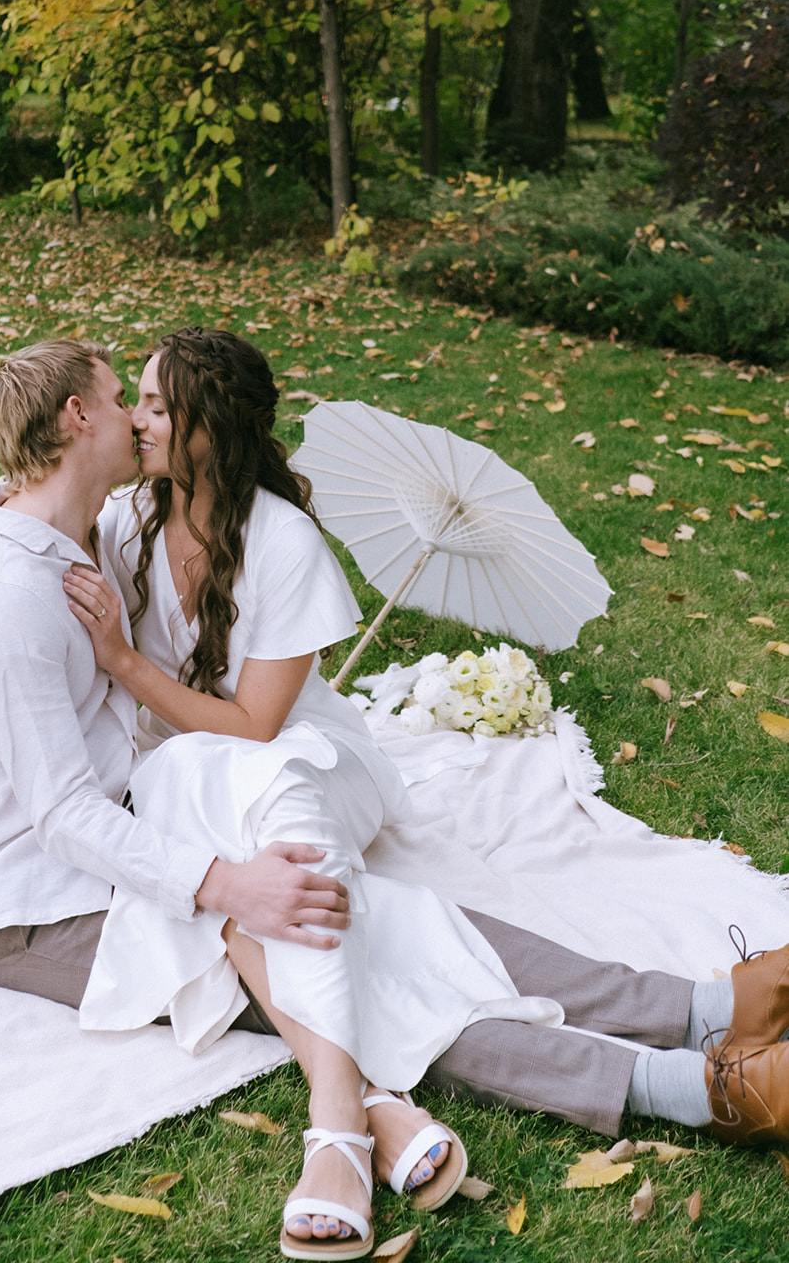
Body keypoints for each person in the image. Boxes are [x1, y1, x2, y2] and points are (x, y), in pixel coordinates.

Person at [64, 327, 789, 1258]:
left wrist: (122, 661)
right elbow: (42, 526)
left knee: (258, 822)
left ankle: (360, 1116)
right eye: (141, 400)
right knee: (385, 931)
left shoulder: (283, 544)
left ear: (214, 427)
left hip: (303, 766)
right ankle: (700, 1018)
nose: (138, 417)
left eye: (161, 404)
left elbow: (254, 729)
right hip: (191, 784)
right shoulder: (127, 520)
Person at [0, 338, 354, 1077]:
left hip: (115, 838)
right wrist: (223, 883)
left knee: (342, 922)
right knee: (327, 962)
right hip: (31, 906)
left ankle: (610, 1010)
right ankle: (377, 1111)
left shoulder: (79, 535)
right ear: (78, 415)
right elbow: (61, 814)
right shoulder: (3, 597)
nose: (137, 419)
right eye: (124, 400)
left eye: (152, 404)